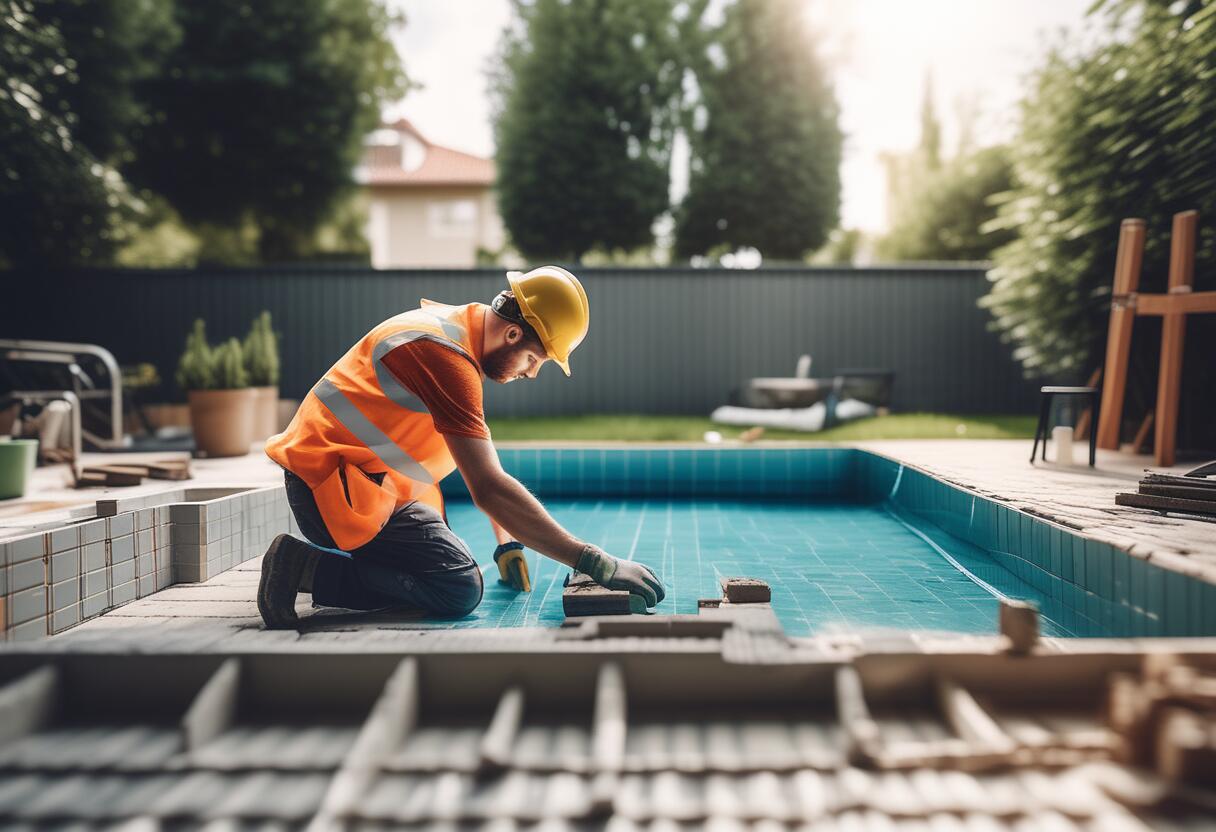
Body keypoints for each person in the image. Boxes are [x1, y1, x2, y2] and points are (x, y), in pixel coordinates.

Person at [256, 266, 666, 628]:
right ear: (511, 334)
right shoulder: (446, 361)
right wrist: (593, 562)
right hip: (329, 490)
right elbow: (487, 487)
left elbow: (476, 455)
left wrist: (507, 541)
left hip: (371, 487)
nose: (533, 373)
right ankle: (304, 567)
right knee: (456, 588)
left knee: (448, 571)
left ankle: (346, 567)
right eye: (533, 360)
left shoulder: (457, 330)